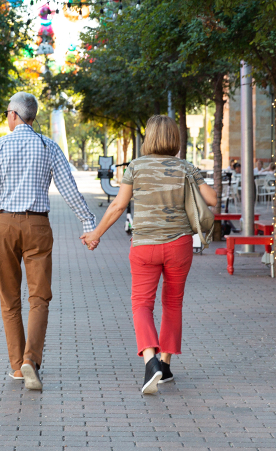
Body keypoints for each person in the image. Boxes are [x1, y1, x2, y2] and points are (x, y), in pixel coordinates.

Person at [0, 92, 97, 391]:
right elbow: (69, 189)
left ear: (14, 115)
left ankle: (17, 367)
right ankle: (31, 360)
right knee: (39, 297)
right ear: (33, 117)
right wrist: (89, 224)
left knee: (9, 298)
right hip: (38, 225)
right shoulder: (48, 146)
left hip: (4, 225)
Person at [81, 115, 218, 394]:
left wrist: (95, 235)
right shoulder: (186, 167)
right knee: (173, 303)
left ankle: (150, 361)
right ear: (174, 138)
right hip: (179, 245)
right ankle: (165, 365)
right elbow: (212, 200)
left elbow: (119, 206)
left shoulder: (136, 167)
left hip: (144, 246)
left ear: (149, 137)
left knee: (142, 304)